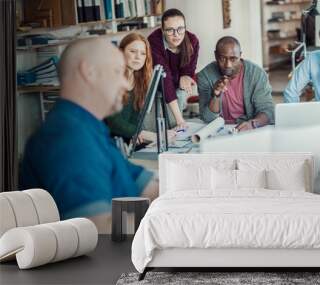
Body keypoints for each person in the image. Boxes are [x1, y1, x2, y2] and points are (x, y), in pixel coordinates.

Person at [20, 38, 159, 232]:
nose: (124, 82)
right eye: (117, 72)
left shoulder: (91, 128)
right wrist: (166, 223)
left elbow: (146, 186)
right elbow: (98, 230)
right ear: (89, 72)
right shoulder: (68, 138)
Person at [106, 32, 173, 144]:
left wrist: (134, 134)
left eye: (143, 53)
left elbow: (135, 118)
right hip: (103, 141)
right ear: (121, 52)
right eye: (133, 51)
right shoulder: (111, 79)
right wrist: (143, 134)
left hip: (124, 141)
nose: (138, 57)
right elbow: (113, 121)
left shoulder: (140, 81)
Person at [198, 36, 274, 132]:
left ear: (240, 55)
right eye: (222, 58)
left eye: (233, 59)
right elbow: (207, 118)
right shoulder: (205, 76)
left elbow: (268, 111)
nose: (228, 65)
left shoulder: (257, 74)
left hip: (249, 128)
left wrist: (253, 124)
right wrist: (215, 96)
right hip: (219, 130)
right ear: (216, 56)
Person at [148, 8, 200, 130]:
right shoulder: (154, 41)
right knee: (163, 124)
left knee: (175, 125)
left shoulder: (193, 40)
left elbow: (190, 67)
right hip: (157, 85)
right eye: (170, 30)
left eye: (180, 29)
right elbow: (164, 77)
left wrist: (186, 75)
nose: (176, 34)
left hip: (177, 86)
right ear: (162, 30)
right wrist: (179, 119)